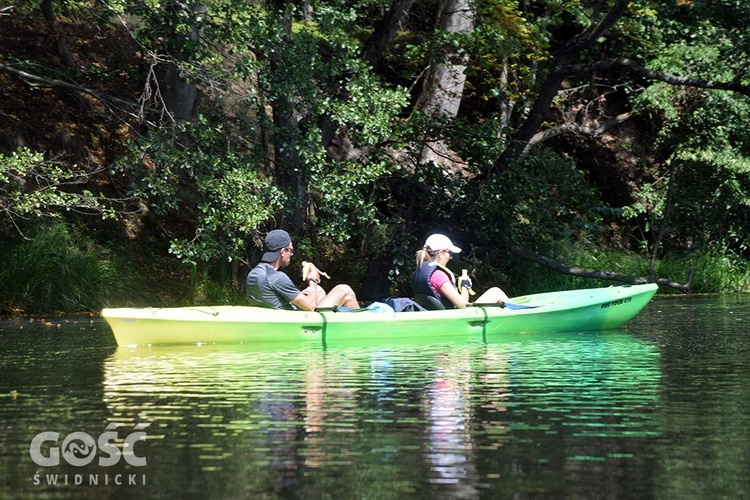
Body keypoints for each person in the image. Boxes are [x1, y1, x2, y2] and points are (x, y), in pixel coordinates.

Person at [246, 229, 359, 311]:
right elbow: (310, 307)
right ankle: (362, 329)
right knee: (344, 290)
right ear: (283, 252)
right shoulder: (277, 277)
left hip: (277, 315)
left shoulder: (253, 274)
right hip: (295, 321)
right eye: (290, 250)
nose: (292, 254)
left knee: (318, 291)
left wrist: (305, 293)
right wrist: (313, 281)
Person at [411, 233, 510, 310]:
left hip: (439, 315)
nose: (450, 257)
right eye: (449, 253)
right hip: (458, 318)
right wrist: (465, 286)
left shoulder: (419, 271)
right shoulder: (438, 275)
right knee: (496, 292)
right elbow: (462, 304)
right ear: (441, 253)